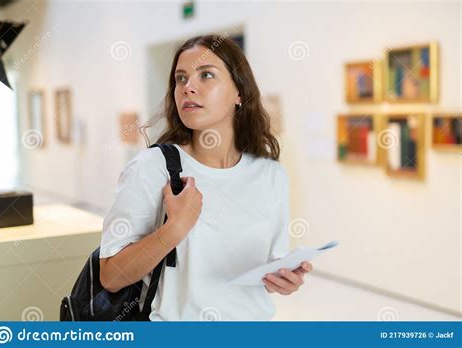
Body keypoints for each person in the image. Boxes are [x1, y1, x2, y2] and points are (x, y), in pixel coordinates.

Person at [99, 34, 313, 321]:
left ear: (239, 93)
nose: (188, 88)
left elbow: (267, 267)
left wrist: (284, 280)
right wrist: (173, 230)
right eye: (181, 78)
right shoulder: (153, 167)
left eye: (206, 75)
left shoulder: (271, 175)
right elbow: (111, 276)